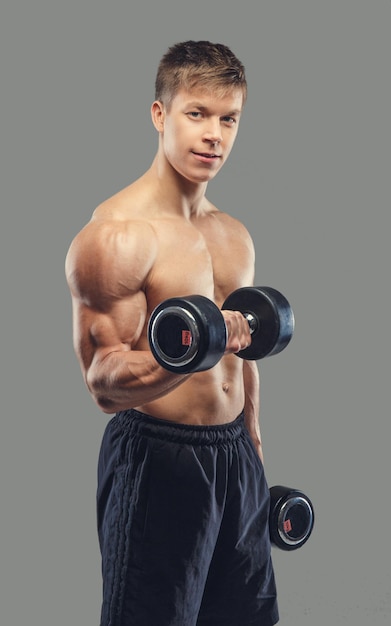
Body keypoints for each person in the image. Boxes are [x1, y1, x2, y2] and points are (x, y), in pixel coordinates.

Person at [65, 40, 279, 626]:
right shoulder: (117, 235)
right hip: (159, 457)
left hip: (234, 460)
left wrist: (253, 448)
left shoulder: (234, 235)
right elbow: (104, 383)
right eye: (197, 114)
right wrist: (192, 354)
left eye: (228, 118)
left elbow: (243, 353)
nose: (214, 134)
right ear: (159, 115)